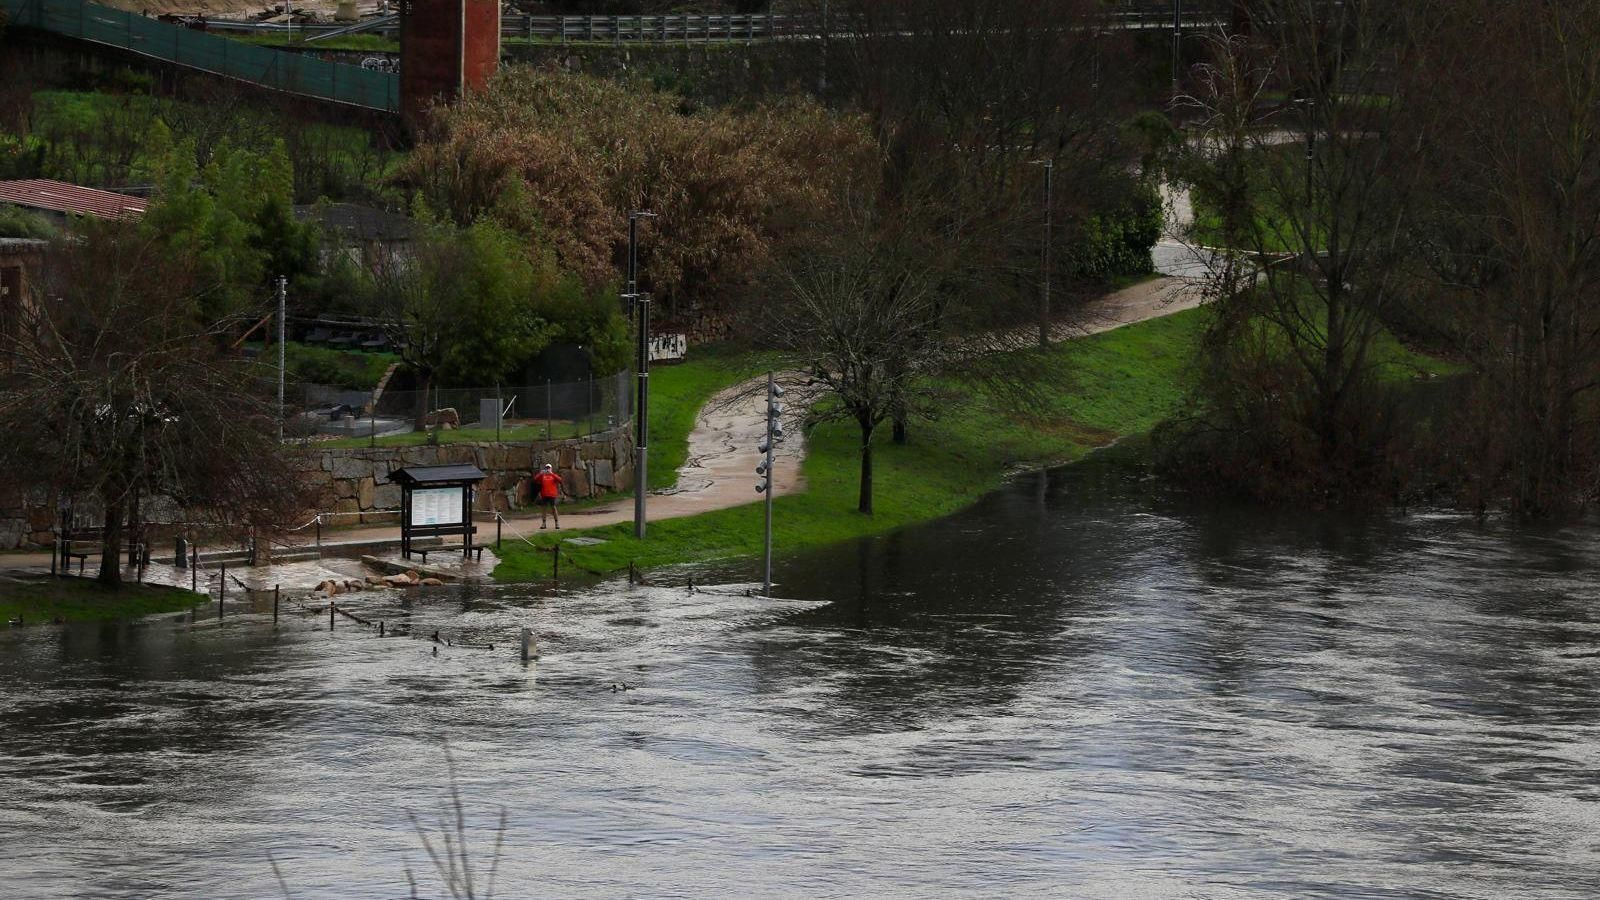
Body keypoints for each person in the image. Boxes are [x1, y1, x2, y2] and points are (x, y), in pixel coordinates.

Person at [531, 463, 564, 529]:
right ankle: (544, 523)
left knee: (553, 508)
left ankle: (557, 523)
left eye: (548, 468)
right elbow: (535, 479)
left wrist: (551, 473)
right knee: (544, 509)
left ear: (551, 468)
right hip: (544, 494)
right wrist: (540, 473)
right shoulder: (542, 476)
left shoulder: (553, 475)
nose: (547, 469)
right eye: (546, 468)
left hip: (552, 494)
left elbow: (560, 479)